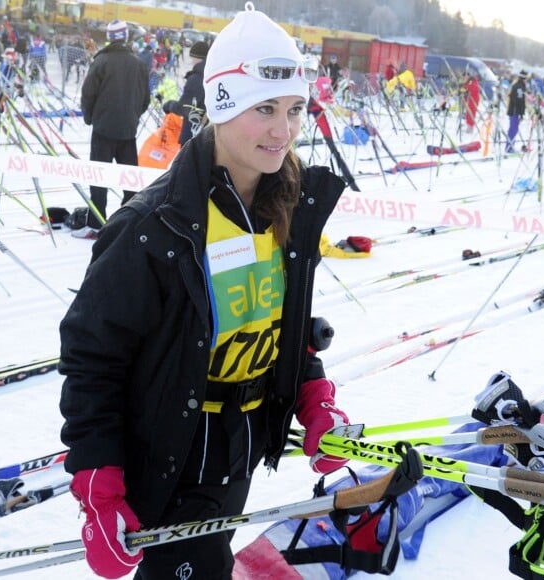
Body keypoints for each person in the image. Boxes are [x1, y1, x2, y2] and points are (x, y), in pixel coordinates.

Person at [58, 3, 350, 578]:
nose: (282, 130)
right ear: (220, 105)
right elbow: (93, 358)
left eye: (294, 110)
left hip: (239, 451)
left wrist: (313, 397)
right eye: (263, 109)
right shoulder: (153, 226)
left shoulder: (285, 208)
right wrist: (98, 481)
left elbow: (279, 325)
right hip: (173, 451)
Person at [76, 20, 150, 239]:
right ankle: (128, 222)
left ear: (110, 37)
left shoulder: (102, 61)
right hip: (128, 131)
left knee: (99, 177)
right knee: (130, 179)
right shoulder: (138, 64)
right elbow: (145, 98)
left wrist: (90, 118)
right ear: (125, 37)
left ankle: (96, 223)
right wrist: (132, 116)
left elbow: (88, 93)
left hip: (103, 130)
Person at [161, 40, 209, 145]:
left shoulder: (196, 79)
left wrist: (169, 105)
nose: (191, 61)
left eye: (192, 57)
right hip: (207, 136)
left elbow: (185, 107)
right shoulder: (212, 76)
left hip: (192, 135)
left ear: (197, 57)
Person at [506, 69, 527, 153]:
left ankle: (510, 145)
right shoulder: (519, 87)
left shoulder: (518, 85)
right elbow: (519, 101)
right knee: (513, 129)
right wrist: (521, 114)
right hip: (515, 111)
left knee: (513, 129)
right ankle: (509, 147)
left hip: (514, 110)